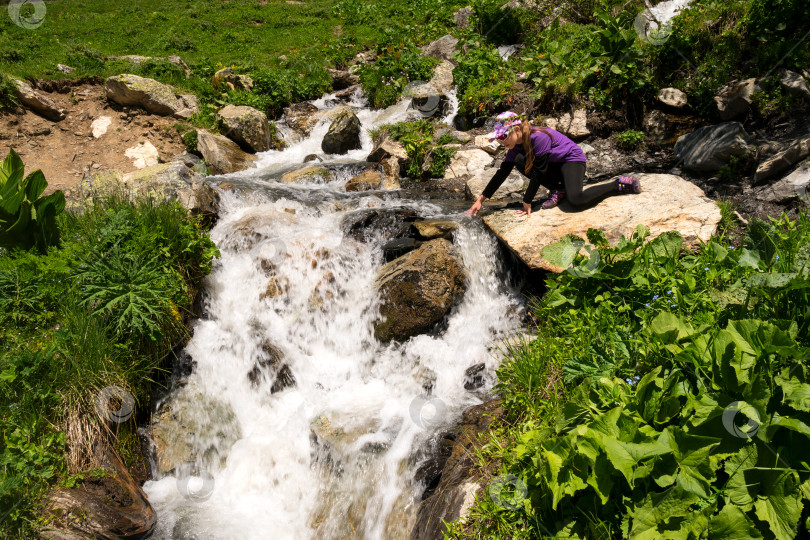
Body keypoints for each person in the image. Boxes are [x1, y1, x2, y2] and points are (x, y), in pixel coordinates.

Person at [467, 111, 641, 217]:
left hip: (571, 161)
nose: (501, 141)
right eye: (498, 138)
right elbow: (502, 172)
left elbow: (539, 172)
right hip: (554, 166)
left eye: (503, 136)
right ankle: (559, 189)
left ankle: (616, 184)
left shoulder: (539, 137)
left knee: (577, 200)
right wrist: (481, 200)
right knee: (518, 161)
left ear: (517, 130)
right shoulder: (515, 146)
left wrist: (527, 201)